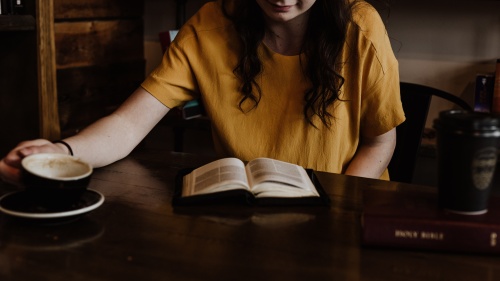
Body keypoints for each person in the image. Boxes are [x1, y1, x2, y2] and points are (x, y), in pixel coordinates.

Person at [0, 0, 404, 186]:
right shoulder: (211, 23)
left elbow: (380, 141)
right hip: (246, 214)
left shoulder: (360, 27)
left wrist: (338, 209)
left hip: (343, 215)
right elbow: (127, 124)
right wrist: (61, 154)